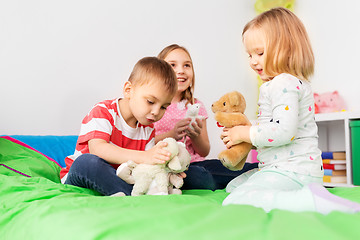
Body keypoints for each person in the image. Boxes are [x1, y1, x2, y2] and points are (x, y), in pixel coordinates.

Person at [221, 7, 360, 214]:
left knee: (234, 200)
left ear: (286, 49)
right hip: (290, 170)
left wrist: (244, 133)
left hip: (293, 172)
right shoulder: (286, 83)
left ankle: (307, 201)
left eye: (259, 53)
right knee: (233, 188)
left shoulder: (282, 83)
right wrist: (250, 137)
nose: (253, 61)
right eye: (249, 54)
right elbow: (274, 131)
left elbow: (284, 131)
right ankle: (304, 194)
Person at [60, 56, 178, 196]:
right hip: (82, 175)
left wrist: (167, 169)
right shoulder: (103, 111)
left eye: (164, 107)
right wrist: (144, 156)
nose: (156, 112)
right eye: (150, 102)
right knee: (86, 162)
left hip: (118, 178)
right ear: (128, 90)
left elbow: (147, 164)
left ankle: (130, 191)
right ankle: (132, 194)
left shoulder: (148, 128)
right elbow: (98, 149)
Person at [154, 44, 258, 190]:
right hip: (169, 168)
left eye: (186, 65)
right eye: (172, 65)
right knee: (199, 176)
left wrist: (195, 137)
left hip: (195, 163)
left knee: (222, 167)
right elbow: (145, 143)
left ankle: (264, 170)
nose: (181, 71)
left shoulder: (196, 105)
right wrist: (172, 135)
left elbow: (204, 151)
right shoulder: (154, 104)